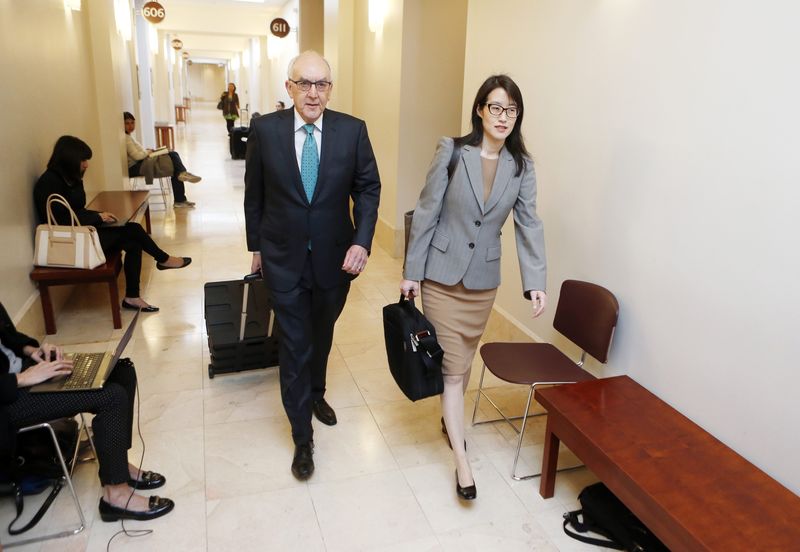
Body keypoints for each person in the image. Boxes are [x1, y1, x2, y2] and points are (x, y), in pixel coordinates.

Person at [400, 74, 547, 500]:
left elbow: (529, 223)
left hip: (482, 283)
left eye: (511, 110)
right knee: (451, 369)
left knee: (461, 365)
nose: (503, 117)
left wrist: (535, 281)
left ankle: (450, 420)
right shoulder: (452, 151)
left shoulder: (521, 167)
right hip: (441, 277)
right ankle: (462, 460)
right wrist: (411, 271)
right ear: (480, 110)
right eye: (496, 107)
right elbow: (427, 211)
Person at [244, 51, 381, 481]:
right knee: (295, 342)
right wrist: (256, 248)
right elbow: (254, 195)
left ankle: (316, 393)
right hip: (282, 258)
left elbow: (369, 190)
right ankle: (302, 437)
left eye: (322, 84)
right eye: (304, 83)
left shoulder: (352, 131)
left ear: (330, 89)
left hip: (334, 259)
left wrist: (362, 241)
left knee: (321, 334)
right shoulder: (265, 131)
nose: (313, 93)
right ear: (289, 87)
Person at [0, 302, 174, 521]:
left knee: (122, 372)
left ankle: (119, 466)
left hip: (22, 373)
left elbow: (6, 335)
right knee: (112, 397)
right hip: (8, 400)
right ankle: (116, 496)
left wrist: (33, 351)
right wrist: (22, 379)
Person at [33, 136, 192, 313]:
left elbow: (76, 210)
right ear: (69, 159)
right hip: (71, 243)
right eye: (83, 160)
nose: (86, 165)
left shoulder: (70, 177)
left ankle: (135, 294)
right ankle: (162, 261)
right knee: (133, 235)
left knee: (133, 235)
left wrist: (99, 215)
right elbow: (62, 220)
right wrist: (97, 218)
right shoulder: (49, 183)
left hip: (82, 233)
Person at [124, 112, 201, 209]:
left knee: (173, 157)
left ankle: (181, 191)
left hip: (141, 163)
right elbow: (137, 156)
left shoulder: (129, 137)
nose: (130, 126)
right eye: (127, 123)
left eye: (132, 123)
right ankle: (180, 195)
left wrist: (147, 151)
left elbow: (138, 154)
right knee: (173, 157)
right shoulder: (126, 139)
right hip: (136, 167)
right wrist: (147, 152)